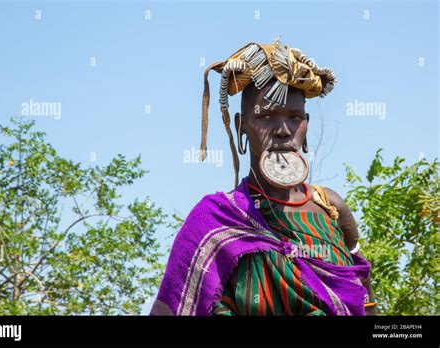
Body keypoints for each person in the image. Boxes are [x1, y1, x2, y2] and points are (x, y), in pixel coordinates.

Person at [151, 37, 377, 316]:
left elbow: (362, 293)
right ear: (241, 126)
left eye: (295, 117)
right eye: (266, 116)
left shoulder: (330, 207)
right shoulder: (215, 220)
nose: (283, 130)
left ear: (306, 124)